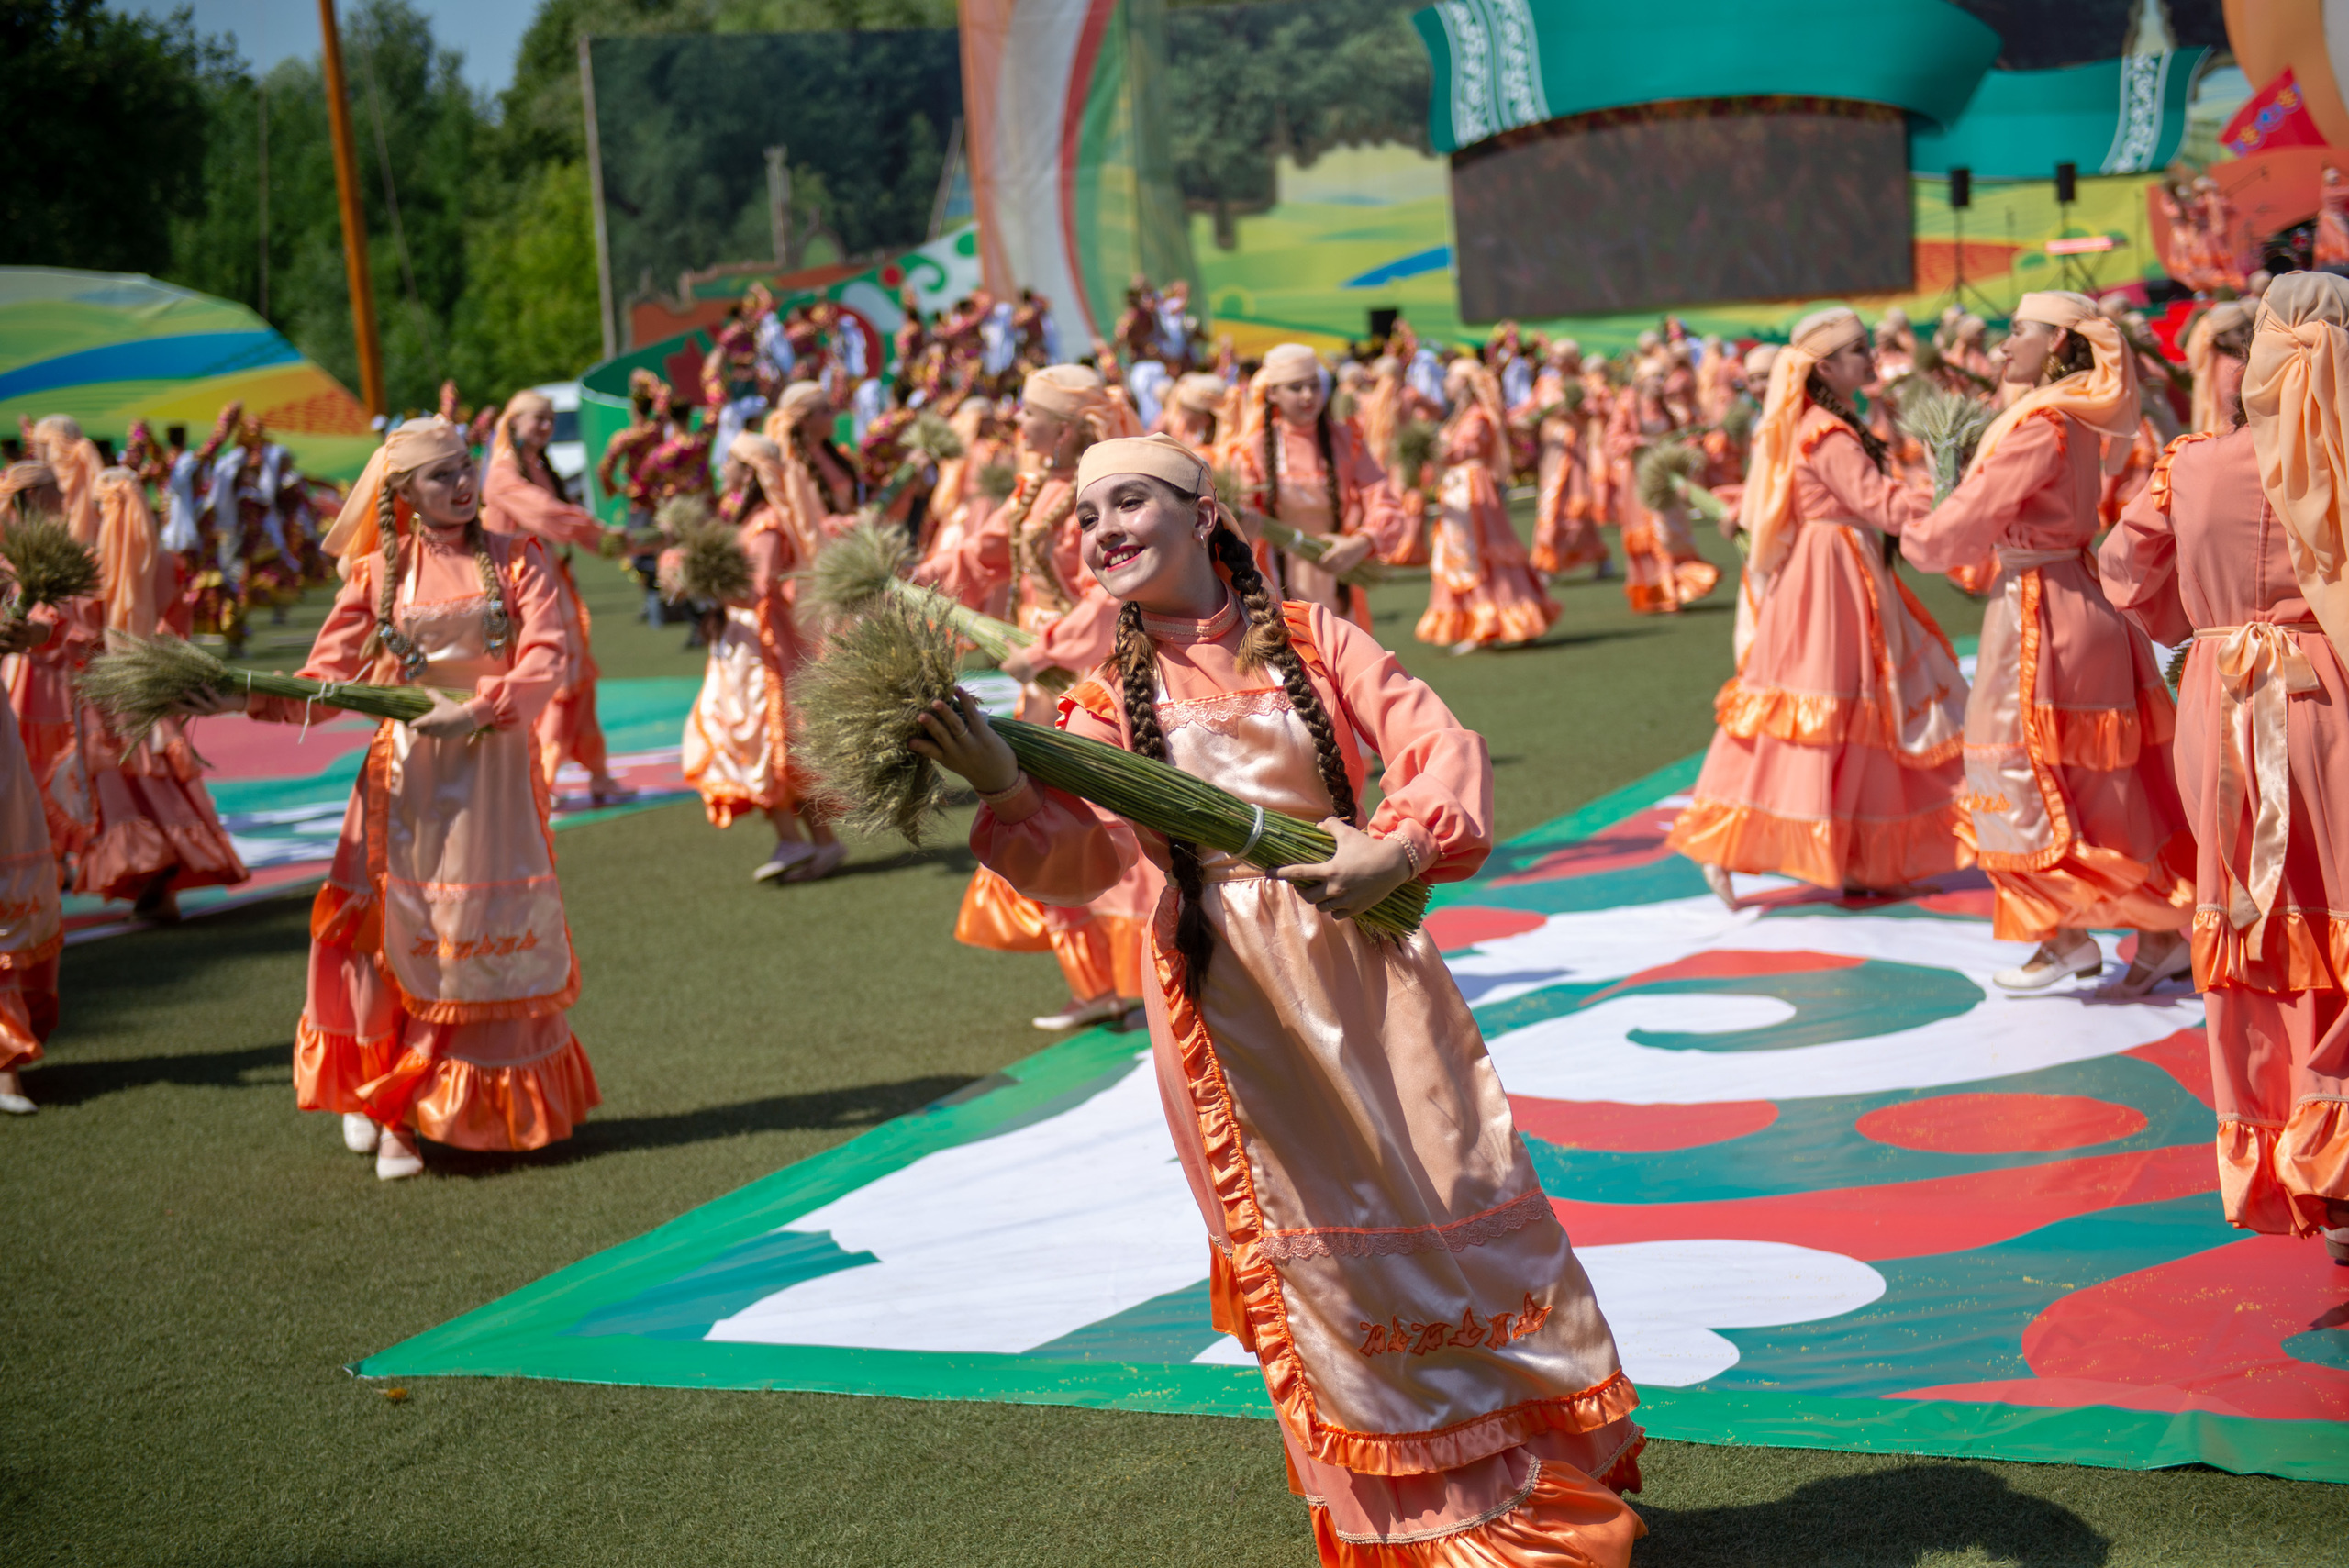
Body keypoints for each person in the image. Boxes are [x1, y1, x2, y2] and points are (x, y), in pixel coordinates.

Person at [910, 433, 1645, 1564]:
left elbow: (1436, 743)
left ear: (1203, 513)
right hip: (1229, 1005)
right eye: (1087, 512)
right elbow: (1088, 858)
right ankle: (1431, 1523)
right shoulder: (1105, 700)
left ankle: (1530, 1453)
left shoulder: (1315, 636)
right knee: (1329, 1252)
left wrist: (1393, 850)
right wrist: (1006, 780)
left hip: (1370, 964)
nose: (1102, 527)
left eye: (1130, 500)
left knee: (1454, 1190)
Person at [193, 418, 598, 1180]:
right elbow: (325, 675)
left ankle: (459, 1105)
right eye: (440, 474)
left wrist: (477, 708)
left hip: (494, 778)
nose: (462, 482)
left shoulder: (518, 559)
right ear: (404, 491)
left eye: (464, 465)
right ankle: (388, 1109)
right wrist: (238, 692)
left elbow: (548, 652)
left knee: (479, 925)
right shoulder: (379, 572)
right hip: (404, 777)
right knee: (385, 934)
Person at [2101, 272, 2349, 1257]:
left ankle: (2298, 1146)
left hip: (2222, 706)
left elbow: (2126, 572)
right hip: (2329, 699)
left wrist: (2200, 629)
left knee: (2259, 926)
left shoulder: (2193, 464)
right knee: (2333, 913)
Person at [1904, 291, 2193, 995]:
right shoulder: (2075, 414)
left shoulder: (2043, 423)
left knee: (2019, 768)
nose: (2003, 348)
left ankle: (2071, 934)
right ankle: (2146, 930)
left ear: (2058, 340)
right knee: (2096, 780)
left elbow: (1963, 523)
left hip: (2042, 613)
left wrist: (1920, 527)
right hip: (2075, 596)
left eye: (2018, 332)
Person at [1665, 308, 1969, 904]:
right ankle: (1728, 838)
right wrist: (1950, 496)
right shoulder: (1824, 431)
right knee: (1822, 710)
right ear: (1826, 366)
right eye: (1859, 351)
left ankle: (1856, 855)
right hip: (1831, 578)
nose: (1872, 360)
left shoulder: (1817, 423)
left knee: (1844, 711)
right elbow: (1875, 500)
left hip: (1839, 573)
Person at [916, 364, 1149, 1030]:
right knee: (1049, 818)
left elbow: (1111, 591)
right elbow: (987, 554)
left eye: (1029, 413)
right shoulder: (1034, 486)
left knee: (1103, 819)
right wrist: (916, 575)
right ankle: (1095, 982)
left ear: (1067, 426)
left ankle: (1140, 975)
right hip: (1042, 678)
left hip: (1092, 677)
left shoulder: (1098, 496)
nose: (1017, 423)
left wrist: (1045, 651)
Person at [70, 469, 248, 915]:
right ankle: (166, 876)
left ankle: (149, 870)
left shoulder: (87, 566)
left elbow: (72, 638)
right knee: (159, 779)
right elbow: (177, 628)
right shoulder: (166, 562)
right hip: (147, 683)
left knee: (120, 787)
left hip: (101, 691)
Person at [684, 422, 846, 883]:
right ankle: (813, 841)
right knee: (762, 739)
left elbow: (756, 590)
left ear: (749, 471)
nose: (722, 468)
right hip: (742, 643)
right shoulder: (745, 518)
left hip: (760, 646)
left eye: (730, 461)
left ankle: (800, 839)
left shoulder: (767, 524)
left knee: (765, 736)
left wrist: (700, 581)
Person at [483, 388, 632, 806]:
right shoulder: (503, 473)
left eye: (550, 420)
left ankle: (596, 773)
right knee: (550, 676)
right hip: (525, 587)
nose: (546, 427)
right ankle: (540, 782)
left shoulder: (534, 465)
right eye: (538, 419)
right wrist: (608, 540)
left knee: (576, 673)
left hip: (550, 579)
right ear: (513, 423)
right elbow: (549, 516)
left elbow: (555, 516)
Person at [1227, 343, 1411, 628]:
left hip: (1339, 566)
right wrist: (1245, 527)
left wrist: (1363, 543)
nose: (1308, 396)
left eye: (1314, 386)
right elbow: (1241, 516)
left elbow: (1383, 500)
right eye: (1296, 388)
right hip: (1277, 577)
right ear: (1273, 393)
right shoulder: (1252, 450)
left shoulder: (1346, 440)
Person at [1416, 356, 1560, 651]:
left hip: (1473, 489)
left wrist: (1434, 450)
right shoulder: (1458, 415)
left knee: (1479, 552)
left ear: (1465, 384)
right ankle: (1482, 620)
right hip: (1457, 491)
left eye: (1452, 377)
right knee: (1465, 553)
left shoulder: (1477, 417)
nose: (1446, 382)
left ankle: (1494, 620)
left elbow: (1464, 450)